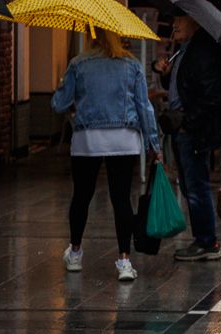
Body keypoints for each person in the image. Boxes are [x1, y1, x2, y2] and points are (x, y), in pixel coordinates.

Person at [51, 28, 161, 282]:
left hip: (87, 140)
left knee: (81, 196)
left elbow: (59, 104)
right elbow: (145, 107)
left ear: (93, 38)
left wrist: (65, 86)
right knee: (121, 199)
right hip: (124, 139)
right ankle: (124, 260)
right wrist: (153, 143)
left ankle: (76, 253)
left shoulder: (78, 64)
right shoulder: (131, 65)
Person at [154, 14, 221, 262]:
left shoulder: (202, 52)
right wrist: (166, 73)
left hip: (193, 130)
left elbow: (209, 96)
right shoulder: (186, 50)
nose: (175, 24)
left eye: (181, 19)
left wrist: (187, 123)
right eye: (175, 19)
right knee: (191, 185)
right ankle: (204, 238)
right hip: (186, 129)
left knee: (196, 186)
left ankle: (207, 241)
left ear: (196, 22)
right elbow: (183, 85)